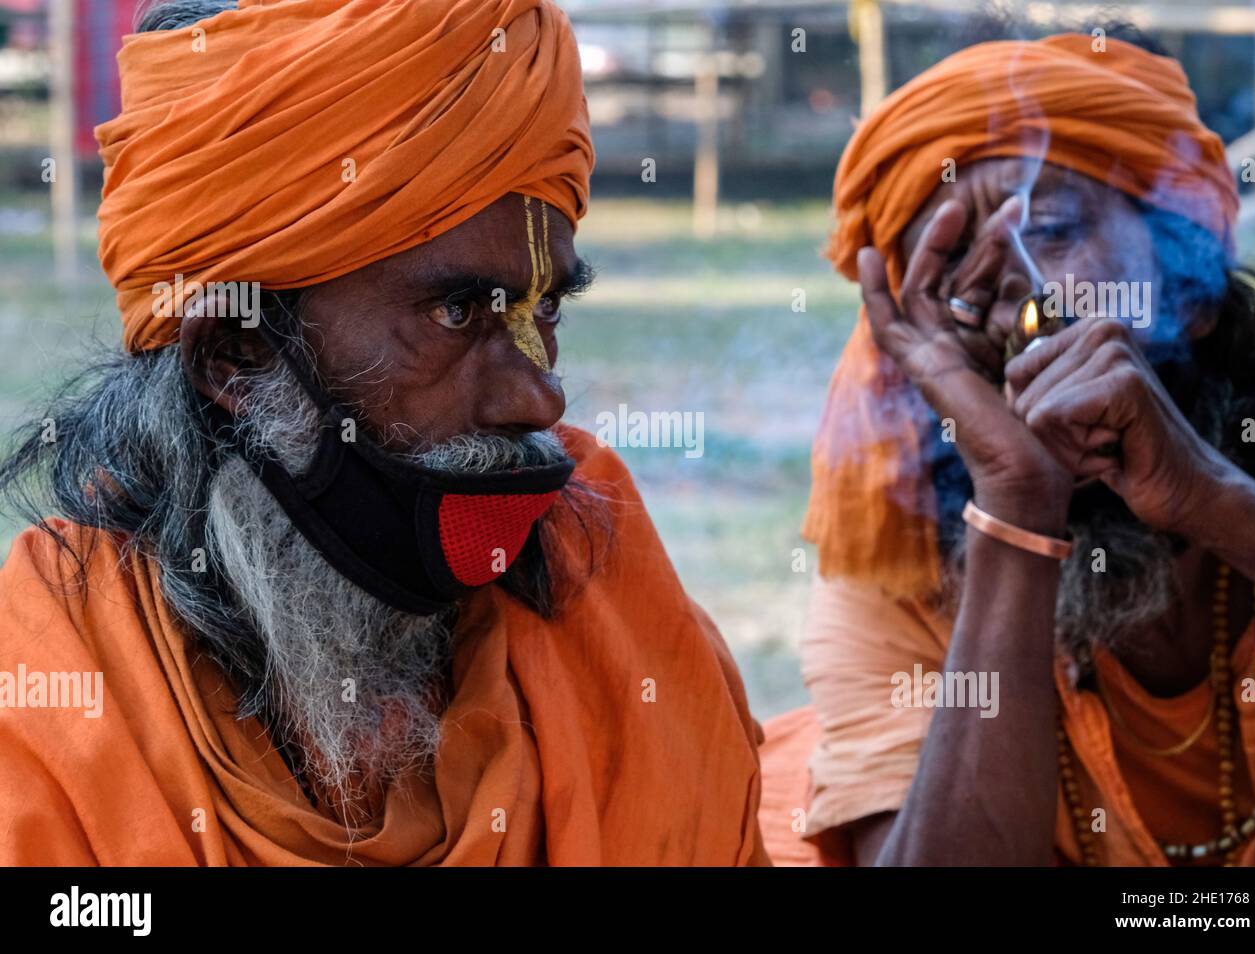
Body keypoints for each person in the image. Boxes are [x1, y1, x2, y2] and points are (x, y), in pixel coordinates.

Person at [0, 0, 768, 866]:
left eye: (541, 307)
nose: (540, 400)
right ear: (236, 354)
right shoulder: (40, 718)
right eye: (454, 310)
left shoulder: (614, 595)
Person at [759, 24, 1255, 866]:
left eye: (1046, 228)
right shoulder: (892, 569)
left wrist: (1209, 495)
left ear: (1188, 284)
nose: (1006, 290)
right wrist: (1017, 499)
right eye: (949, 269)